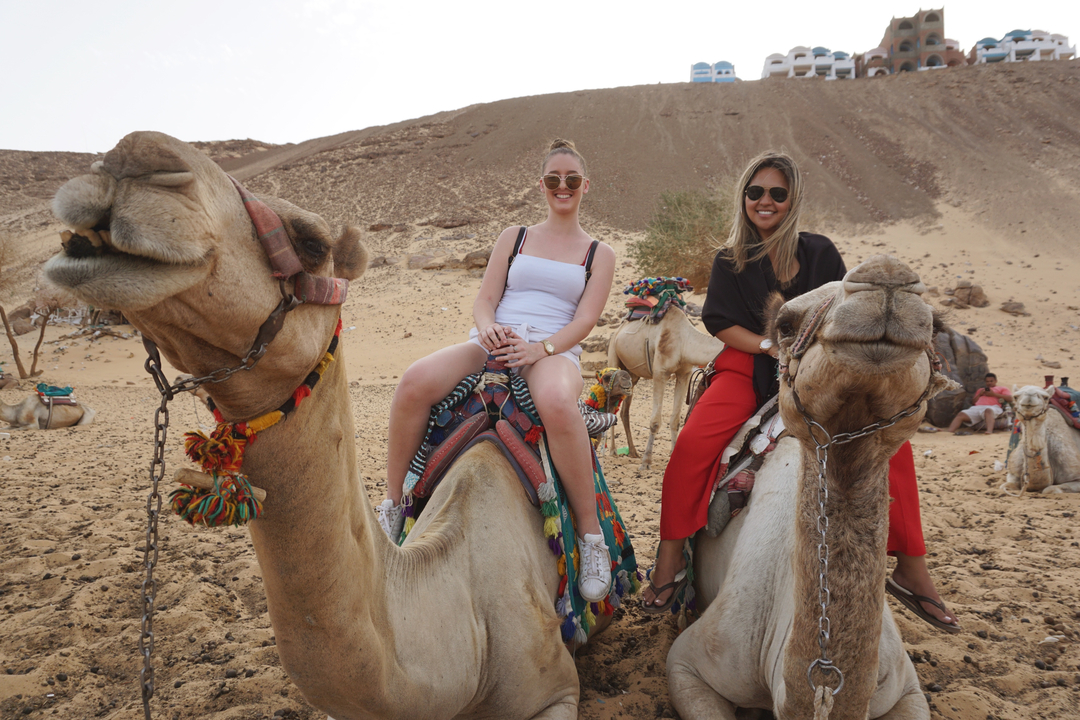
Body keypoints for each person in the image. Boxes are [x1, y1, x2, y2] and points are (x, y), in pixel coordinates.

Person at [641, 151, 960, 633]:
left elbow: (843, 309)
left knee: (889, 441)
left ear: (792, 200)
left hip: (818, 371)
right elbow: (720, 322)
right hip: (748, 365)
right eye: (755, 192)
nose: (764, 202)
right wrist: (773, 347)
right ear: (743, 197)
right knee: (692, 445)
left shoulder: (821, 252)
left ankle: (912, 567)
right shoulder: (730, 260)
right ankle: (669, 560)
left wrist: (804, 356)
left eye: (776, 193)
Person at [378, 139, 617, 603]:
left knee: (556, 404)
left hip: (552, 350)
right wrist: (487, 330)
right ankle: (392, 503)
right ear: (542, 185)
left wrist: (539, 349)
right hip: (494, 340)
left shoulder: (598, 253)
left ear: (585, 186)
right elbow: (486, 299)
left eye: (571, 179)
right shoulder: (516, 236)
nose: (562, 187)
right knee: (413, 382)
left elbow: (586, 320)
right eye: (553, 179)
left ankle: (591, 539)